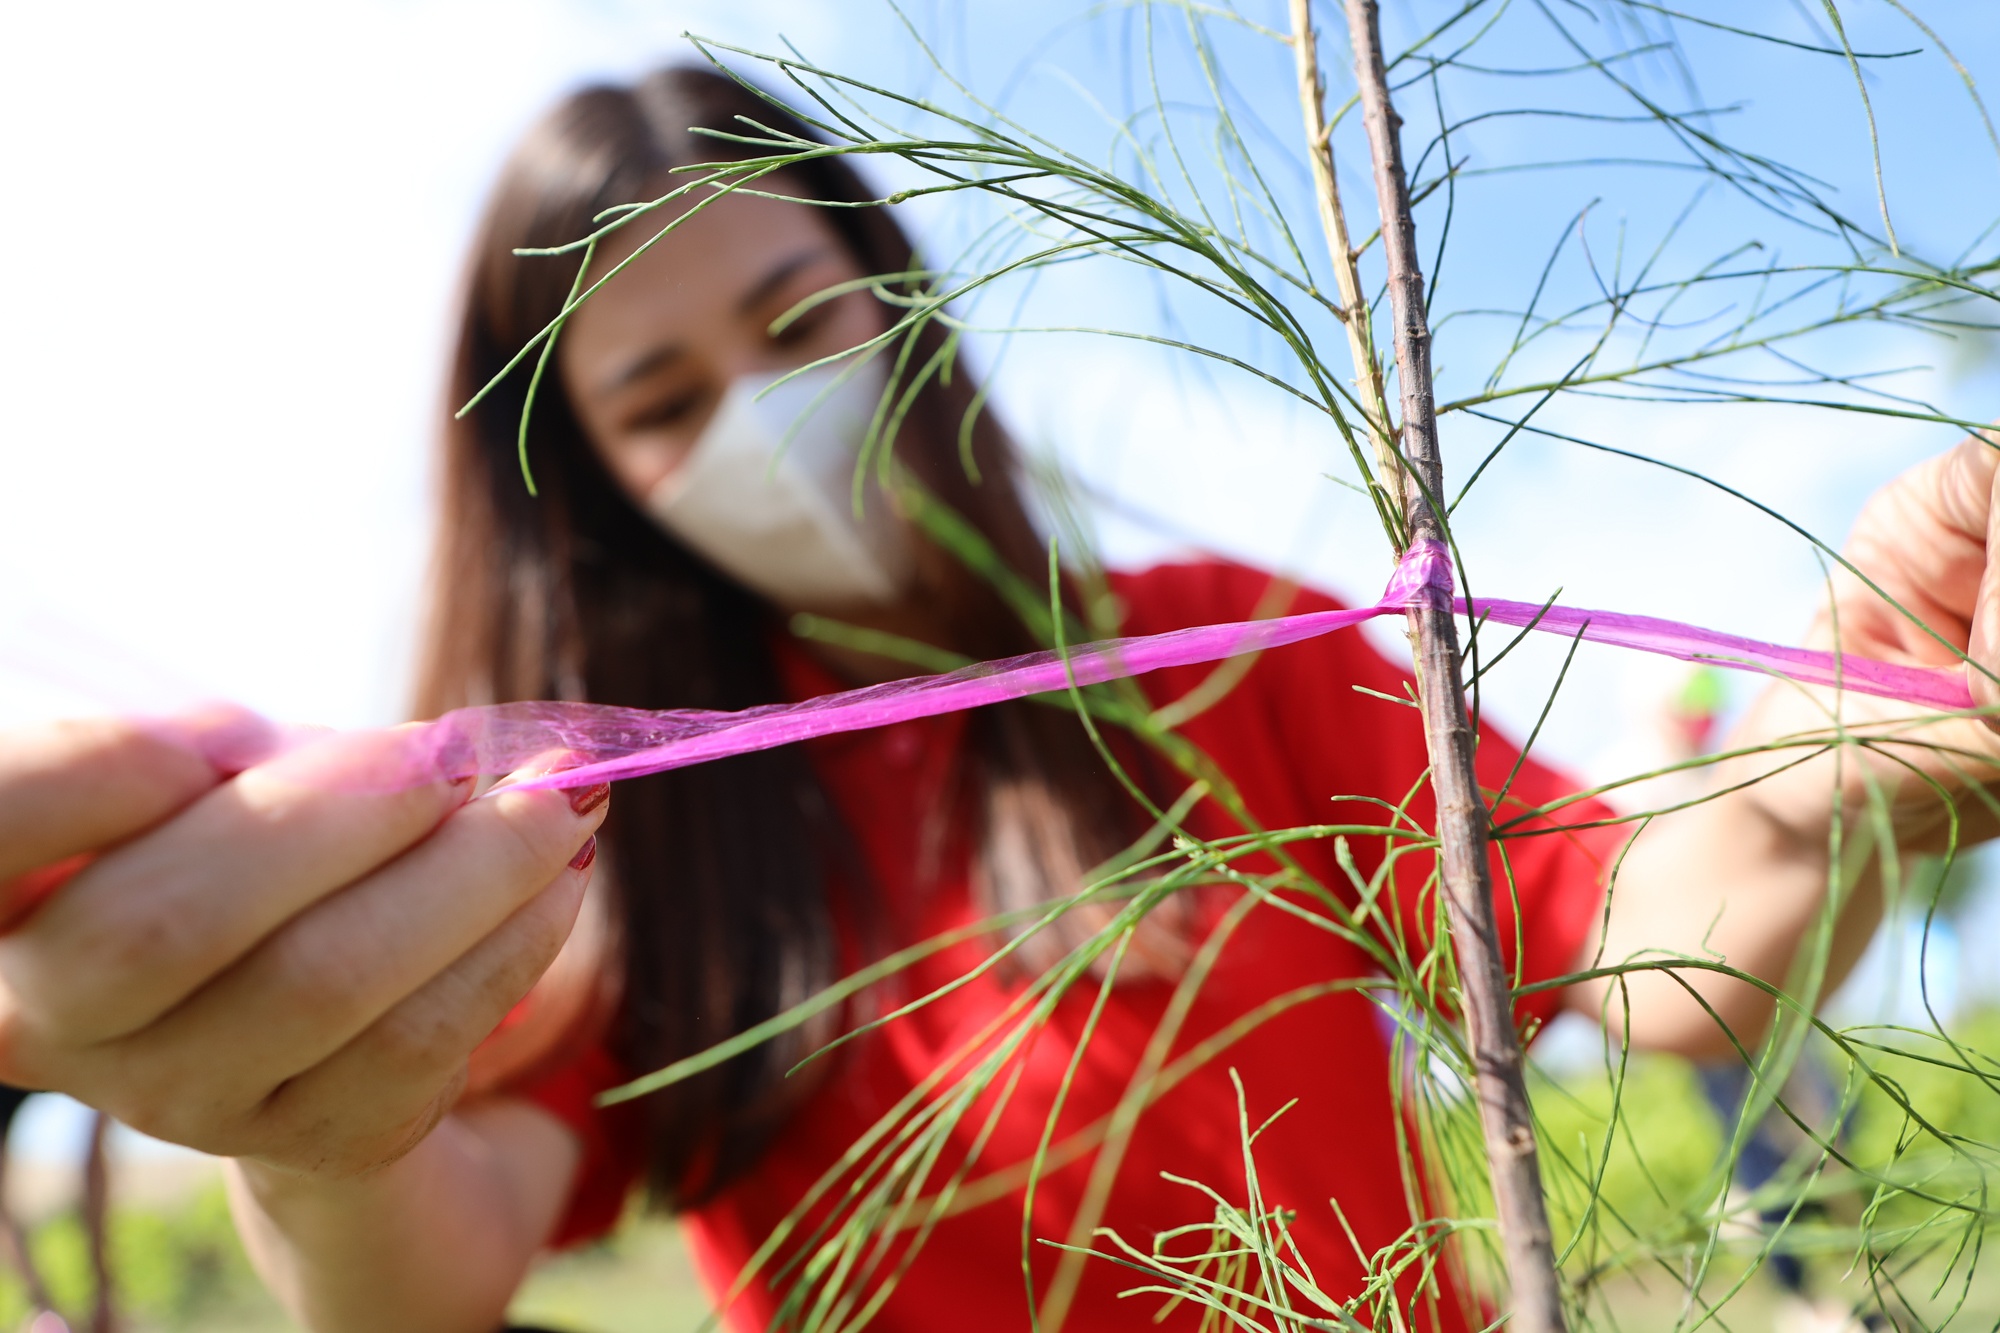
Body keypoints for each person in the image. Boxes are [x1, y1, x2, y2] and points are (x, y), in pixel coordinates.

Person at [1, 67, 1996, 1333]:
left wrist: (1846, 765)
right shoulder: (616, 840)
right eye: (662, 400)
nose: (758, 419)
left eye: (791, 324)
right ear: (584, 481)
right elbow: (433, 1251)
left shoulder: (1221, 645)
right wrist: (307, 1118)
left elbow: (1650, 946)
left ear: (891, 295)